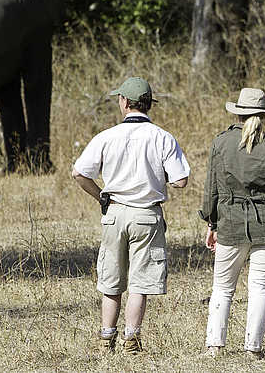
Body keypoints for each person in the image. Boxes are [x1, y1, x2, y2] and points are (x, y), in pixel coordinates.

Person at [71, 77, 190, 355]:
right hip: (147, 215)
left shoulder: (106, 136)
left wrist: (101, 194)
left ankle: (105, 338)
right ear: (149, 105)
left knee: (112, 281)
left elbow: (79, 173)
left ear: (124, 102)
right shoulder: (162, 137)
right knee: (141, 281)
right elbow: (181, 180)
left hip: (115, 213)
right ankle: (131, 340)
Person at [199, 88, 265, 360]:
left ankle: (215, 346)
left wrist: (211, 222)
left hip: (230, 222)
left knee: (222, 288)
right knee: (260, 287)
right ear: (263, 115)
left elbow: (210, 192)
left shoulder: (221, 143)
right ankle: (253, 348)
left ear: (238, 112)